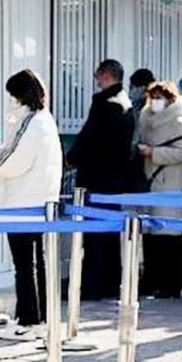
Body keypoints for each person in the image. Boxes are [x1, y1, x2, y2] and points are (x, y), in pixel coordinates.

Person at [0, 70, 62, 342]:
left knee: (24, 266)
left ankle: (28, 321)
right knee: (38, 264)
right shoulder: (45, 120)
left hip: (22, 204)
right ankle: (41, 319)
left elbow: (12, 163)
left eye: (13, 95)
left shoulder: (31, 122)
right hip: (40, 203)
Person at [66, 59, 135, 300]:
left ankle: (91, 283)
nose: (96, 81)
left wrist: (71, 158)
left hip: (96, 177)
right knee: (110, 233)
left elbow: (89, 137)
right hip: (116, 179)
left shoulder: (104, 103)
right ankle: (110, 281)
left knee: (93, 233)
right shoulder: (126, 103)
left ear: (105, 76)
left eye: (98, 76)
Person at [137, 82, 182, 299]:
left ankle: (171, 283)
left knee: (168, 234)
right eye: (153, 97)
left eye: (160, 97)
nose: (155, 101)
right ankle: (152, 280)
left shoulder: (177, 122)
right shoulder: (146, 120)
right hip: (151, 181)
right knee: (151, 234)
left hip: (169, 182)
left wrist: (155, 153)